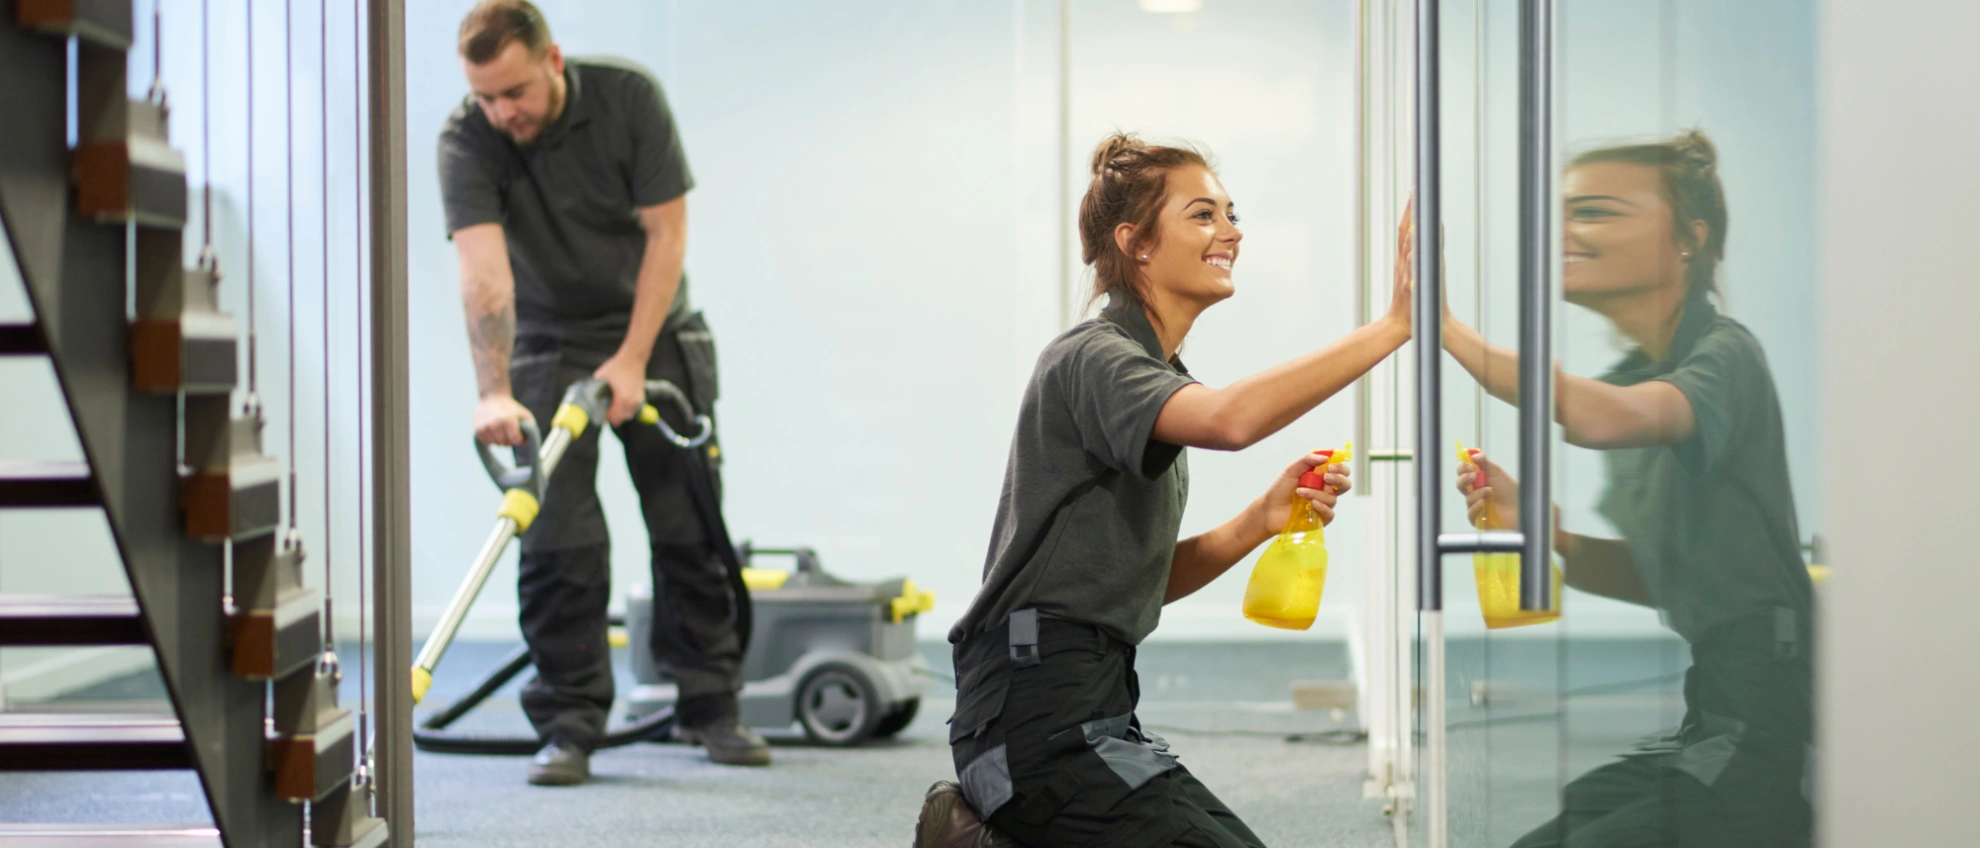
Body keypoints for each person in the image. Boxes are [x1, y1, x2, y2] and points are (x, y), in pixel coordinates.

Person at [914, 134, 1415, 847]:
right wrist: (1395, 327)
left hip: (1095, 708)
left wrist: (1260, 519)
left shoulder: (1152, 374)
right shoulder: (1094, 357)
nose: (1231, 232)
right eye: (1203, 215)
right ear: (1137, 243)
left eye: (1231, 214)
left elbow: (1128, 584)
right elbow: (1232, 420)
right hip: (1032, 724)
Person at [1446, 131, 1814, 846]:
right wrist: (1554, 536)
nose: (1561, 231)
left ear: (1690, 239)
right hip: (1711, 710)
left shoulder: (1724, 356)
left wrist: (1445, 331)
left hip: (1770, 728)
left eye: (1595, 212)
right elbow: (1671, 579)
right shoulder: (1633, 379)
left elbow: (1601, 417)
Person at [437, 0, 767, 786]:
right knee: (557, 541)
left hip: (655, 330)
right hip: (548, 342)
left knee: (689, 527)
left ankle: (709, 707)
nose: (501, 112)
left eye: (514, 91)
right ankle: (569, 724)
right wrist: (493, 390)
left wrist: (632, 359)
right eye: (485, 96)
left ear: (552, 61)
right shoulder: (467, 137)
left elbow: (667, 235)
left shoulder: (628, 99)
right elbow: (484, 275)